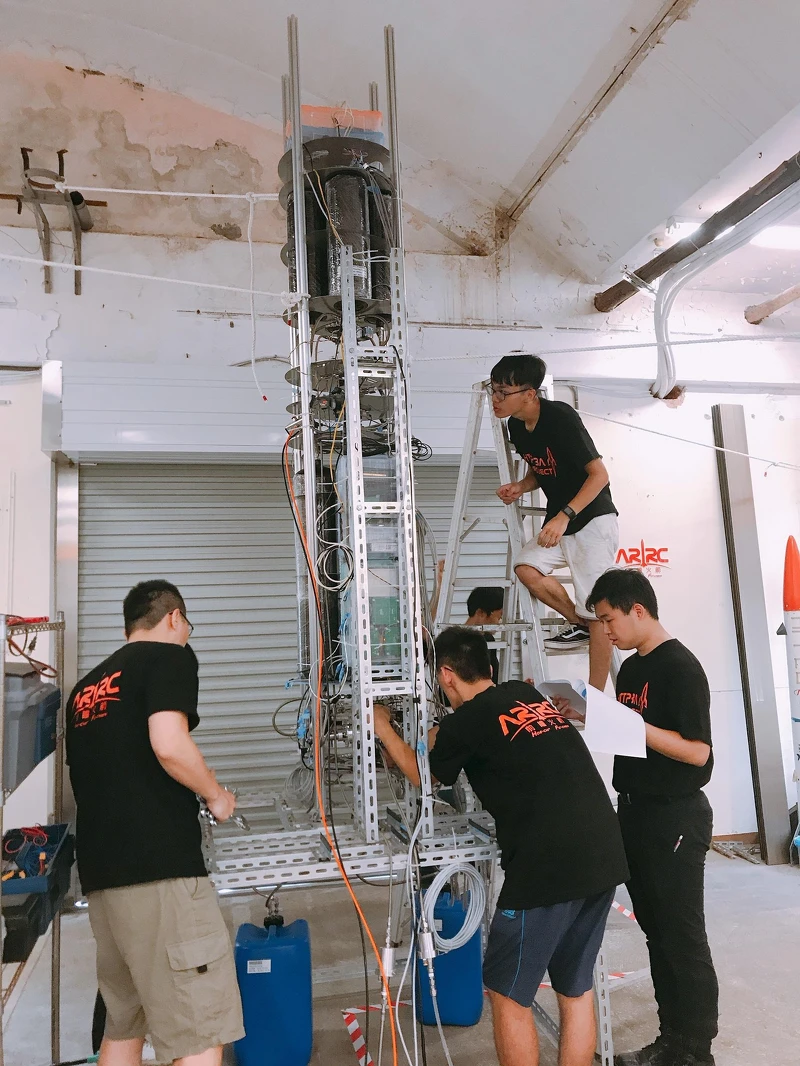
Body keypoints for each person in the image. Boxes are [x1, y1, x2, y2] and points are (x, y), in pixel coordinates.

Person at [373, 626, 629, 1066]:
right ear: (488, 668)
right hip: (605, 852)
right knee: (575, 988)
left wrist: (382, 727)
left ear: (446, 675)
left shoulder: (467, 723)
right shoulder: (522, 695)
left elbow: (421, 774)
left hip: (548, 868)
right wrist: (430, 734)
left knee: (507, 994)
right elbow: (457, 737)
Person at [66, 580, 245, 1066]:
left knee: (125, 1022)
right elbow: (169, 744)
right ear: (173, 618)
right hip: (160, 875)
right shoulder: (169, 657)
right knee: (199, 1028)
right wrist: (216, 796)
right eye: (187, 626)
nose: (187, 636)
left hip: (103, 880)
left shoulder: (86, 689)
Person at [585, 569, 718, 1066]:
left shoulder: (680, 667)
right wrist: (587, 714)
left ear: (637, 610)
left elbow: (698, 752)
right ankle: (671, 1040)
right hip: (636, 811)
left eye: (609, 620)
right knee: (657, 934)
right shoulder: (631, 670)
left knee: (682, 936)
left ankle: (695, 1049)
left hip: (675, 817)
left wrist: (635, 726)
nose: (606, 631)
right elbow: (630, 736)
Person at [490, 354, 618, 691]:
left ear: (529, 394)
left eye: (503, 392)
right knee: (526, 567)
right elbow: (544, 467)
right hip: (561, 521)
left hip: (591, 519)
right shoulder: (516, 426)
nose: (495, 399)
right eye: (493, 390)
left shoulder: (560, 417)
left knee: (599, 609)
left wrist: (564, 516)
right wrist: (521, 486)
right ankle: (578, 622)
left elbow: (599, 475)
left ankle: (594, 697)